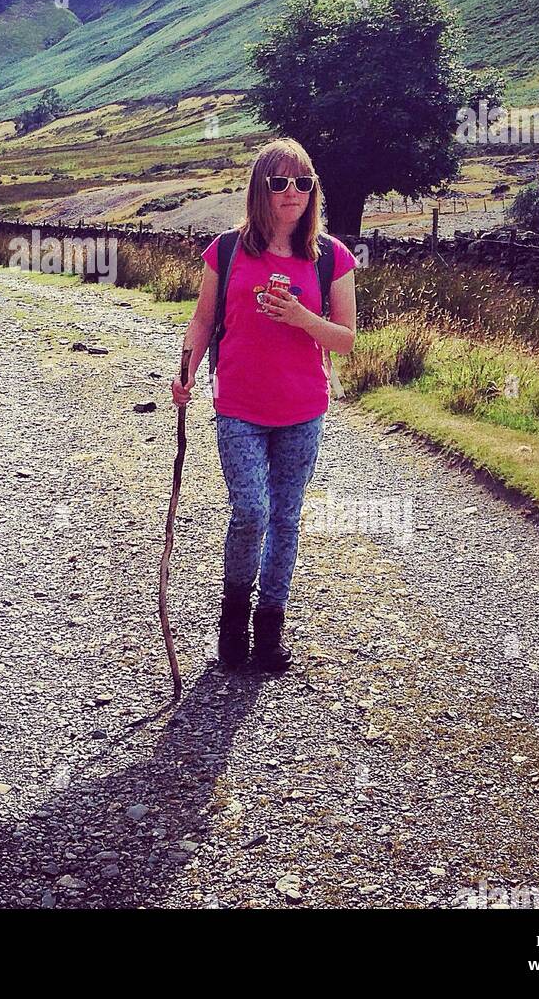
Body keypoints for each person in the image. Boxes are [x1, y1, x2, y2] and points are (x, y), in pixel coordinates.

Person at [170, 137, 357, 674]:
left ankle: (269, 631)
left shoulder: (332, 258)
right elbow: (204, 320)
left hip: (303, 409)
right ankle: (232, 626)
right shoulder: (227, 251)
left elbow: (344, 339)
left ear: (313, 191)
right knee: (252, 511)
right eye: (279, 182)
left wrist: (301, 318)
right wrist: (185, 370)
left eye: (303, 182)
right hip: (239, 407)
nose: (292, 192)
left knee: (287, 519)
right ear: (261, 189)